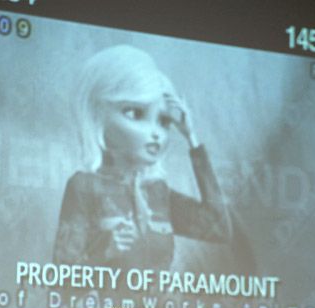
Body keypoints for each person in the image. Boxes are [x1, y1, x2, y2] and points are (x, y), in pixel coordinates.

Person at [53, 44, 252, 275]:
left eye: (164, 121)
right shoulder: (84, 187)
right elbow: (63, 279)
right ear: (96, 114)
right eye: (135, 113)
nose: (156, 133)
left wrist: (191, 138)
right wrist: (105, 250)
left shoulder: (157, 192)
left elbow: (218, 228)